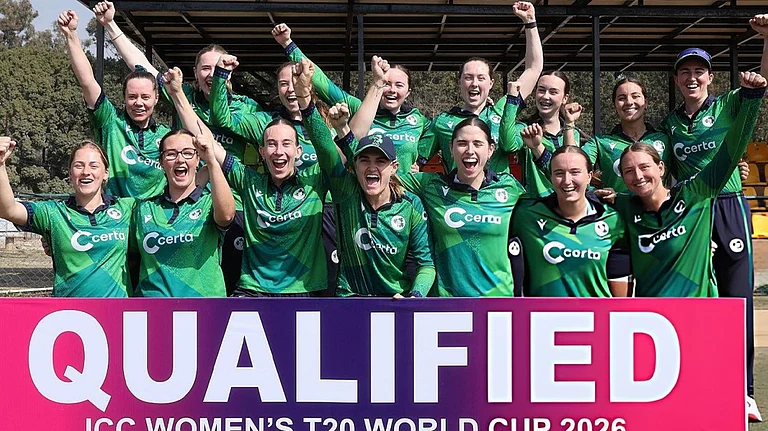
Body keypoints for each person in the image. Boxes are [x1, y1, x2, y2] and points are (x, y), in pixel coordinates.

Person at [93, 1, 263, 293]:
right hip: (186, 212)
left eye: (219, 67)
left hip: (230, 210)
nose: (212, 73)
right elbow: (142, 68)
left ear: (230, 72)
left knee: (232, 287)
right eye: (205, 67)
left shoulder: (247, 109)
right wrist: (110, 25)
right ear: (195, 72)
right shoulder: (181, 94)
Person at [660, 29, 768, 420]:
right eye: (685, 71)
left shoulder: (727, 104)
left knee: (736, 297)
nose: (692, 77)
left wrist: (766, 40)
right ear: (676, 79)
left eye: (699, 71)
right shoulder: (670, 124)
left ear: (710, 77)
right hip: (690, 212)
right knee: (696, 298)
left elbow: (760, 86)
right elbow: (662, 173)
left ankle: (744, 391)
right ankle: (697, 381)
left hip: (727, 205)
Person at [164, 68, 328, 297]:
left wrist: (306, 100)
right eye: (271, 144)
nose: (278, 151)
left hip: (304, 291)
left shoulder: (315, 180)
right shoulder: (249, 180)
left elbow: (331, 150)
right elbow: (210, 143)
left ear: (298, 151)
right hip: (253, 291)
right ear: (261, 151)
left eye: (286, 144)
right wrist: (178, 95)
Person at [293, 60, 435, 297]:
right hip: (350, 302)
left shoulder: (410, 206)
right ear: (355, 165)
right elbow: (326, 149)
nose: (372, 167)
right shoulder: (345, 193)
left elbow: (426, 265)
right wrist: (305, 101)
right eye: (364, 160)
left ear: (394, 167)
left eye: (380, 161)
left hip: (395, 302)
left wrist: (415, 296)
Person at [396, 116, 526, 296]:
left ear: (490, 150)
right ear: (451, 149)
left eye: (478, 144)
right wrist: (346, 133)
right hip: (447, 305)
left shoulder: (509, 188)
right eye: (462, 143)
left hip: (498, 304)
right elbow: (377, 176)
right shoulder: (431, 185)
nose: (470, 150)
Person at [274, 23, 429, 173]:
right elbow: (321, 82)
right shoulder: (359, 108)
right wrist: (288, 44)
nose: (392, 90)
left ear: (408, 92)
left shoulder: (418, 120)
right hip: (366, 191)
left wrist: (421, 160)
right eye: (387, 84)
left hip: (405, 195)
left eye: (399, 85)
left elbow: (436, 133)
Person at [419, 1, 543, 175]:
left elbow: (534, 68)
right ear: (460, 82)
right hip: (456, 199)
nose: (474, 83)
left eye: (481, 78)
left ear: (491, 83)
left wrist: (530, 22)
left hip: (498, 200)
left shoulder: (503, 110)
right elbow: (415, 161)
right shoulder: (441, 122)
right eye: (468, 78)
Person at [0, 138, 134, 297]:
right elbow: (8, 210)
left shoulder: (128, 208)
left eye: (94, 165)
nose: (86, 172)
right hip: (68, 314)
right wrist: (0, 164)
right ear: (70, 173)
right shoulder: (53, 213)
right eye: (79, 165)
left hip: (117, 313)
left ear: (106, 173)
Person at [60, 9, 170, 200]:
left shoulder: (166, 136)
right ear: (124, 97)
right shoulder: (110, 121)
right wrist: (71, 35)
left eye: (145, 97)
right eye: (132, 96)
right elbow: (87, 81)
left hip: (154, 222)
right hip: (115, 217)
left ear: (156, 98)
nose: (139, 103)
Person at [131, 127, 235, 297]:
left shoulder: (209, 203)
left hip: (205, 309)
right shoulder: (143, 209)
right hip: (152, 312)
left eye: (188, 153)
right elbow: (131, 261)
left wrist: (212, 161)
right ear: (161, 161)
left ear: (197, 159)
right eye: (171, 154)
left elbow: (227, 215)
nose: (180, 160)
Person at [511, 145, 626, 297]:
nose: (567, 181)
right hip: (542, 319)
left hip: (595, 318)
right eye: (559, 173)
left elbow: (620, 296)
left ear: (589, 176)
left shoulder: (613, 220)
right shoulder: (525, 215)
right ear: (551, 177)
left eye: (575, 172)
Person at [505, 71, 583, 196]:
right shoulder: (525, 129)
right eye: (541, 90)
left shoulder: (572, 132)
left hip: (568, 206)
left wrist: (569, 123)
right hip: (535, 207)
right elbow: (507, 145)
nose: (545, 96)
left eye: (553, 92)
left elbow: (571, 168)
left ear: (565, 98)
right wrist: (512, 100)